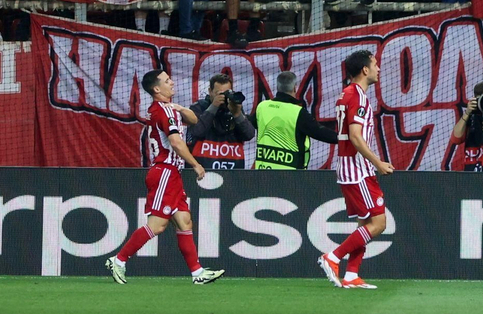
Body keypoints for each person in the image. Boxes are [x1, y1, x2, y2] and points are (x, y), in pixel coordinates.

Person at [105, 69, 226, 285]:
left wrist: (180, 108)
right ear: (157, 89)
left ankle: (197, 273)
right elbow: (177, 143)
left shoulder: (164, 109)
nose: (172, 83)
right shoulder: (164, 112)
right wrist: (196, 165)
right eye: (167, 81)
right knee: (158, 225)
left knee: (184, 221)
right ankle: (119, 260)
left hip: (172, 174)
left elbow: (194, 120)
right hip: (165, 171)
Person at [318, 50, 394, 289]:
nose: (378, 68)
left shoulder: (348, 94)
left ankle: (352, 275)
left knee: (365, 223)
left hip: (354, 169)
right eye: (375, 64)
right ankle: (333, 256)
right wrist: (377, 162)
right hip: (357, 170)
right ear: (364, 70)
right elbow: (356, 137)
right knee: (379, 223)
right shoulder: (357, 96)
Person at [253, 70, 340, 170]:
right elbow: (320, 132)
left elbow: (249, 128)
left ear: (277, 88)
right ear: (295, 88)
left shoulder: (262, 107)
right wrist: (343, 138)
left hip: (262, 173)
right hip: (291, 176)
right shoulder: (298, 113)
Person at [188, 73, 256, 171]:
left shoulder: (234, 108)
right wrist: (214, 106)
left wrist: (237, 114)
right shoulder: (199, 107)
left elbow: (249, 135)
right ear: (210, 91)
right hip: (203, 171)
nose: (223, 97)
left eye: (226, 93)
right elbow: (197, 131)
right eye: (219, 93)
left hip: (232, 173)